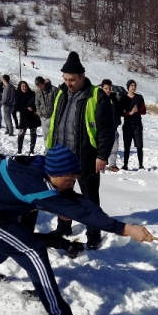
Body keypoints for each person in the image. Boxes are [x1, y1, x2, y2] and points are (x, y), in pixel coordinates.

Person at [0, 145, 152, 315]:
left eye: (74, 179)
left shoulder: (40, 167)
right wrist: (123, 228)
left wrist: (105, 219)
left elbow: (73, 200)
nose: (71, 184)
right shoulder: (34, 184)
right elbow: (76, 209)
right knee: (32, 250)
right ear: (54, 174)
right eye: (69, 179)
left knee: (14, 241)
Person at [45, 51, 114, 250]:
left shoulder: (96, 95)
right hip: (61, 156)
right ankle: (64, 226)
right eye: (65, 79)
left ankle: (93, 232)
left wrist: (102, 155)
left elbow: (106, 129)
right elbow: (55, 124)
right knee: (62, 195)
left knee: (89, 197)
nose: (68, 83)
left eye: (72, 79)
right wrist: (51, 150)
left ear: (82, 77)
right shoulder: (61, 93)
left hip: (85, 157)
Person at [0, 145, 85, 259]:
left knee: (24, 238)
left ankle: (67, 245)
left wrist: (61, 208)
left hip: (34, 201)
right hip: (26, 202)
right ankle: (66, 245)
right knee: (23, 237)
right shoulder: (1, 165)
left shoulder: (13, 168)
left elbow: (41, 189)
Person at [119, 79, 146, 170]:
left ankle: (141, 165)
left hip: (137, 124)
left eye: (134, 85)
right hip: (127, 125)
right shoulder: (123, 98)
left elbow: (144, 111)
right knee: (127, 146)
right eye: (131, 86)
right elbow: (121, 112)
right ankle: (125, 165)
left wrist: (137, 110)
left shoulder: (139, 97)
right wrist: (129, 113)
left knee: (139, 145)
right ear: (128, 87)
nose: (133, 87)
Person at [101, 79, 122, 172]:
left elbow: (118, 111)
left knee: (115, 146)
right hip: (103, 129)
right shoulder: (99, 99)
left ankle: (112, 165)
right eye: (106, 88)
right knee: (103, 148)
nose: (108, 90)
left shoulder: (114, 99)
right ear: (102, 88)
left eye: (109, 88)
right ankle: (101, 164)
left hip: (113, 127)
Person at [15, 81, 40, 155]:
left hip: (32, 117)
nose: (24, 88)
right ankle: (19, 150)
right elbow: (17, 107)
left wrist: (35, 110)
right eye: (23, 86)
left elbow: (36, 103)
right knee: (21, 134)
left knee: (33, 133)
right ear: (20, 87)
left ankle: (32, 149)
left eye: (25, 86)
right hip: (23, 117)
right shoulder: (18, 95)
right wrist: (26, 109)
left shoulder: (32, 94)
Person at [34, 76, 58, 146]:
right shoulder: (38, 91)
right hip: (43, 118)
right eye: (38, 86)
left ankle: (55, 151)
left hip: (53, 117)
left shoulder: (53, 90)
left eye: (41, 86)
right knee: (45, 137)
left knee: (54, 136)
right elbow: (37, 103)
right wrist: (40, 114)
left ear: (44, 82)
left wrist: (55, 115)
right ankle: (47, 152)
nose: (40, 88)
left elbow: (58, 103)